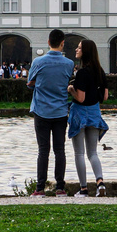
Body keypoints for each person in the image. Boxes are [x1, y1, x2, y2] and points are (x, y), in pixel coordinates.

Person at [28, 29, 75, 195]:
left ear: (48, 42)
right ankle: (60, 187)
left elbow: (30, 83)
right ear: (62, 43)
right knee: (59, 150)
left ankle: (39, 188)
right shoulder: (69, 63)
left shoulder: (38, 61)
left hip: (41, 109)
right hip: (61, 110)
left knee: (43, 150)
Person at [68, 40, 110, 195]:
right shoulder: (100, 71)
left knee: (79, 153)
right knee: (93, 153)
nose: (76, 49)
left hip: (79, 114)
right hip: (94, 113)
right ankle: (100, 183)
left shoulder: (82, 72)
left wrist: (71, 89)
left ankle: (84, 188)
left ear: (85, 51)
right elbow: (105, 96)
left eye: (79, 47)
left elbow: (80, 98)